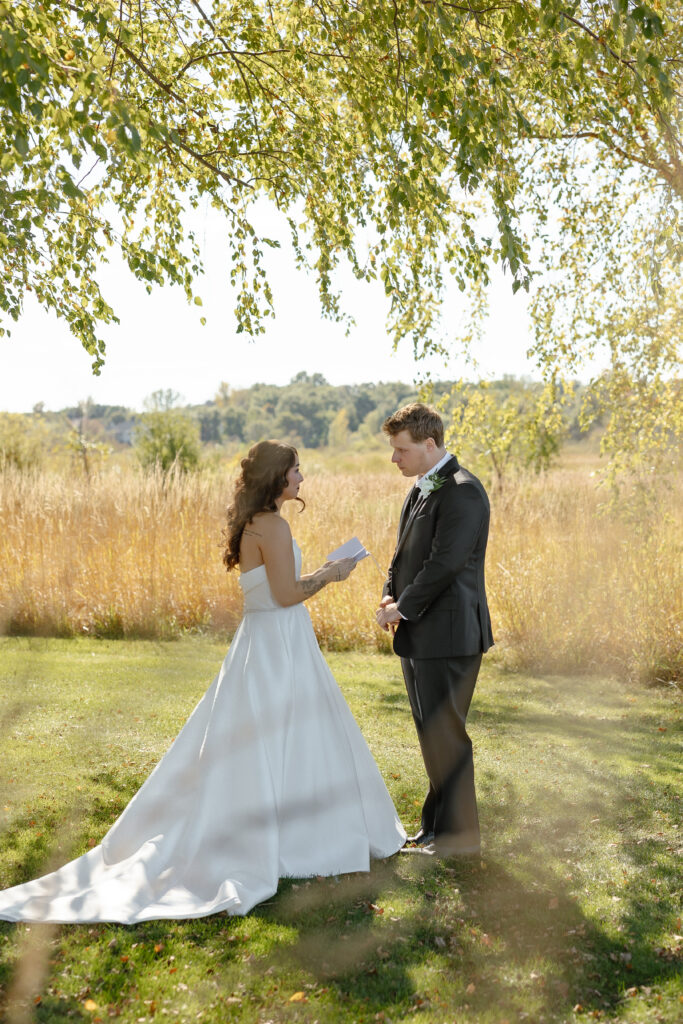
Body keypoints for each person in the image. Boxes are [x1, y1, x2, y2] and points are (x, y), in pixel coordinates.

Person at [0, 441, 405, 923]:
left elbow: (276, 589)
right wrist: (333, 575)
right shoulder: (274, 525)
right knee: (288, 730)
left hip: (261, 640)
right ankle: (296, 840)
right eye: (296, 470)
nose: (302, 478)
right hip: (278, 642)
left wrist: (318, 572)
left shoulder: (254, 522)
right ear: (278, 477)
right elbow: (286, 594)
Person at [375, 404, 493, 857]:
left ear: (429, 444)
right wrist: (389, 596)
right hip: (420, 633)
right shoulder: (421, 488)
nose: (394, 458)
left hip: (449, 635)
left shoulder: (462, 491)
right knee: (431, 734)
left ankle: (460, 839)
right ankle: (434, 829)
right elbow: (402, 555)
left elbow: (445, 564)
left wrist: (403, 608)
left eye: (401, 450)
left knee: (447, 735)